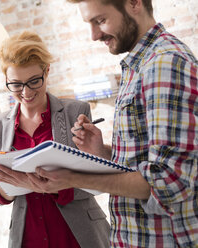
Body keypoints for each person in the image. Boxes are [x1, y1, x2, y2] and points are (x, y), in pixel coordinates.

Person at [29, 0, 198, 247]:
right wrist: (103, 153)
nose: (94, 35)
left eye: (100, 21)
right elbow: (145, 164)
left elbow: (170, 181)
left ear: (134, 3)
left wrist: (73, 177)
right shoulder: (138, 65)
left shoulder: (165, 63)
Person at [0, 31, 110, 248]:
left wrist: (48, 186)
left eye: (34, 81)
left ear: (47, 71)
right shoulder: (0, 125)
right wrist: (13, 186)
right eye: (15, 84)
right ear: (6, 80)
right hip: (28, 237)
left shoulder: (76, 112)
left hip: (78, 235)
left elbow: (95, 181)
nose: (25, 92)